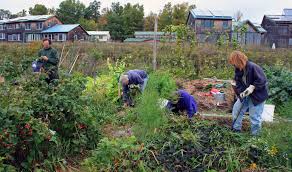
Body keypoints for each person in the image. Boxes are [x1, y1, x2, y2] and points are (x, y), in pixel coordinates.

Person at [228, 51, 268, 135]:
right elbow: (238, 82)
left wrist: (253, 87)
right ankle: (236, 130)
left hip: (257, 96)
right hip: (245, 95)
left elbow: (262, 80)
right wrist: (241, 92)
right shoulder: (238, 70)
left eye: (234, 63)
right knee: (236, 109)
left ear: (239, 61)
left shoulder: (253, 67)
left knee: (254, 117)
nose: (234, 65)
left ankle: (256, 137)